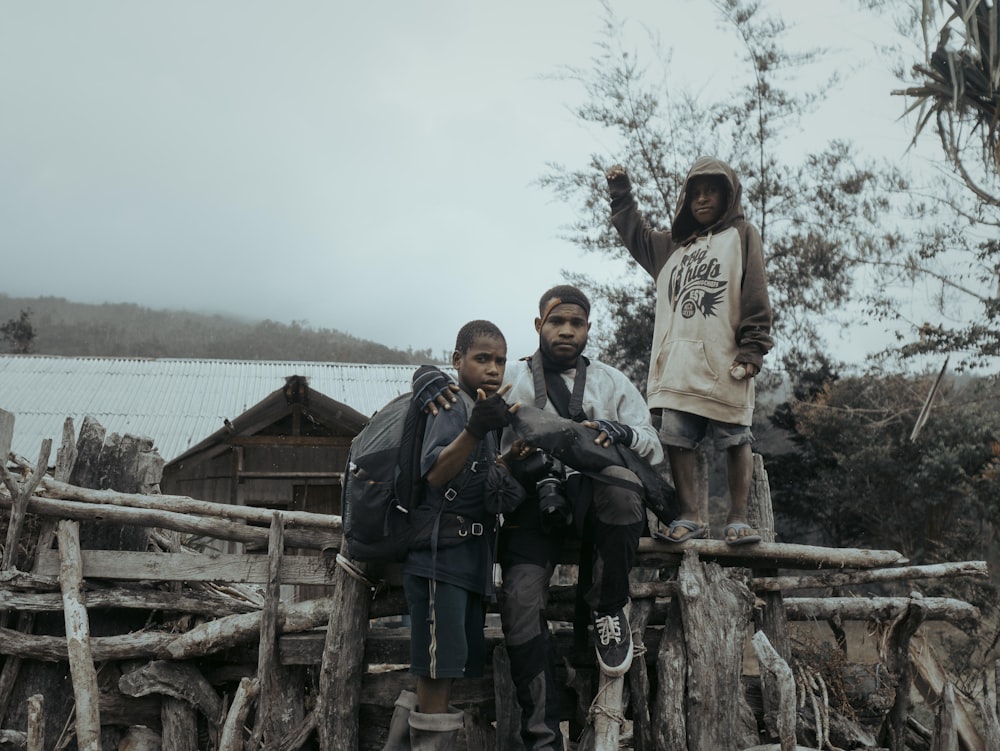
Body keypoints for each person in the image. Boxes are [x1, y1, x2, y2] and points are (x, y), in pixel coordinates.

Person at [497, 285, 663, 751]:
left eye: (576, 323)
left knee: (624, 489)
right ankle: (542, 738)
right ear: (538, 326)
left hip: (594, 503)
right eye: (557, 321)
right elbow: (465, 411)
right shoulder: (509, 377)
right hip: (529, 507)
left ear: (588, 329)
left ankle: (608, 606)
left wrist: (621, 432)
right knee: (521, 606)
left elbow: (652, 442)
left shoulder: (610, 381)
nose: (566, 330)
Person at [606, 157, 773, 545]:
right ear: (685, 200)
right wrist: (621, 195)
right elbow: (636, 234)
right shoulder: (670, 247)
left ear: (728, 196)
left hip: (725, 361)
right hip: (678, 364)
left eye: (711, 191)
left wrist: (752, 348)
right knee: (677, 440)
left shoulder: (742, 235)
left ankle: (737, 518)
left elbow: (755, 291)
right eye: (695, 193)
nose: (702, 199)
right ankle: (690, 516)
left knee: (735, 436)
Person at [384, 320, 525, 751]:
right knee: (436, 672)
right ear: (457, 359)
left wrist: (508, 459)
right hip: (439, 560)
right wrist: (475, 430)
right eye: (482, 359)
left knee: (444, 668)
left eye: (500, 360)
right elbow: (436, 473)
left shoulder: (479, 408)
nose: (493, 368)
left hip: (468, 561)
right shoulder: (448, 405)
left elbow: (471, 478)